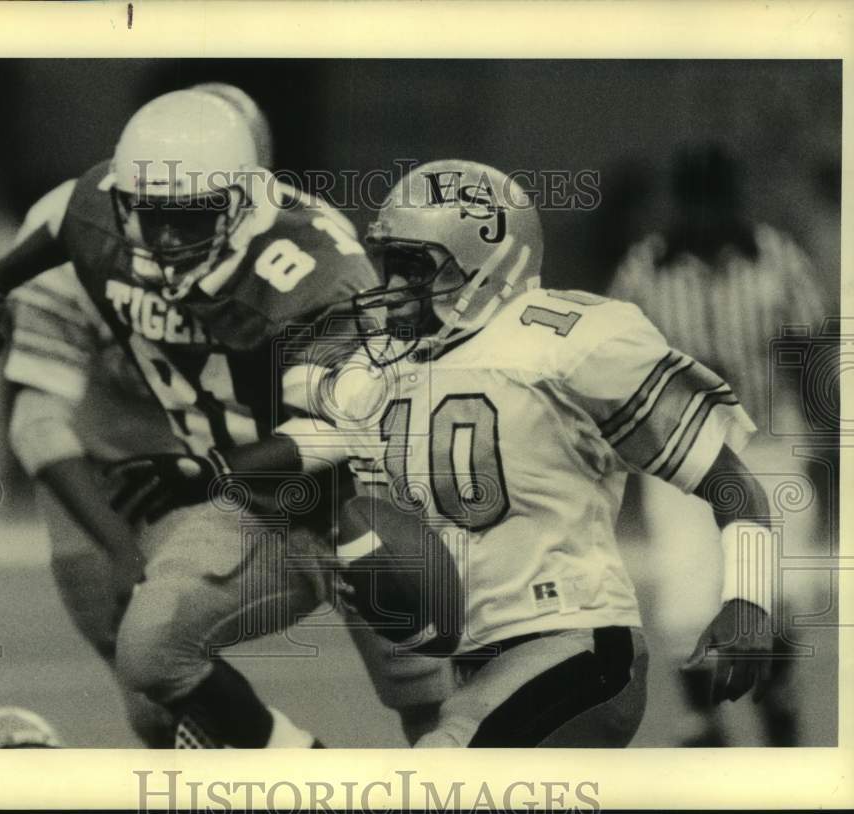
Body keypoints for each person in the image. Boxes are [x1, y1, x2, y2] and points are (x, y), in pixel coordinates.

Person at [0, 88, 451, 747]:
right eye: (149, 216)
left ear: (247, 197)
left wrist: (211, 468)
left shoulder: (318, 270)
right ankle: (307, 775)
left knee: (434, 705)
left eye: (192, 217)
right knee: (150, 655)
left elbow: (343, 429)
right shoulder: (103, 213)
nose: (165, 239)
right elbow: (66, 212)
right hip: (243, 501)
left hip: (360, 500)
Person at [250, 159, 778, 746]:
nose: (392, 290)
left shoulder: (568, 343)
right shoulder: (394, 362)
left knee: (444, 765)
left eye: (414, 269)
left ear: (483, 262)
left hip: (579, 646)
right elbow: (319, 441)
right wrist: (213, 473)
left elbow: (732, 484)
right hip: (481, 662)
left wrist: (747, 602)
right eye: (389, 267)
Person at [609, 143, 827, 745]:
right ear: (681, 203)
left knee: (777, 583)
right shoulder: (645, 267)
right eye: (696, 200)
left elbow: (811, 349)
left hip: (765, 441)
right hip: (681, 452)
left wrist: (821, 438)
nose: (706, 214)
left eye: (716, 199)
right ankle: (701, 717)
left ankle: (776, 692)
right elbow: (617, 362)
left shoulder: (775, 255)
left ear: (732, 199)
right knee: (685, 589)